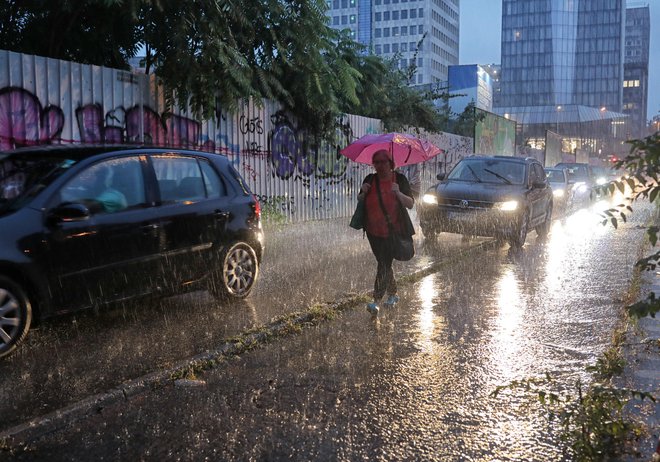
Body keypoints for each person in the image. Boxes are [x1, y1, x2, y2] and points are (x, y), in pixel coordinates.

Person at [358, 149, 415, 315]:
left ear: (391, 163)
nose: (380, 165)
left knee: (383, 264)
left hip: (393, 231)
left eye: (384, 162)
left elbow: (410, 203)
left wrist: (397, 192)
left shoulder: (400, 179)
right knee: (384, 264)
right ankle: (393, 294)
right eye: (377, 162)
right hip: (372, 231)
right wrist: (363, 192)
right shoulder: (370, 179)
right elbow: (360, 199)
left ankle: (375, 301)